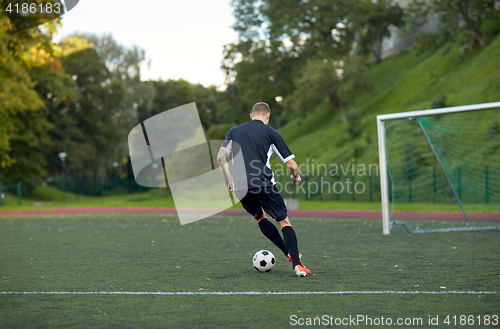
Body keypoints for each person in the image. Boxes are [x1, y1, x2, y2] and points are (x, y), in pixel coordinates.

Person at [217, 102, 311, 277]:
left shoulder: (234, 131)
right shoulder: (271, 133)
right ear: (267, 117)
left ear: (251, 115)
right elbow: (291, 164)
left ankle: (289, 253)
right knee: (283, 221)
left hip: (240, 186)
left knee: (260, 217)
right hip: (263, 182)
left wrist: (229, 179)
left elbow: (220, 157)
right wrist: (296, 176)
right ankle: (298, 265)